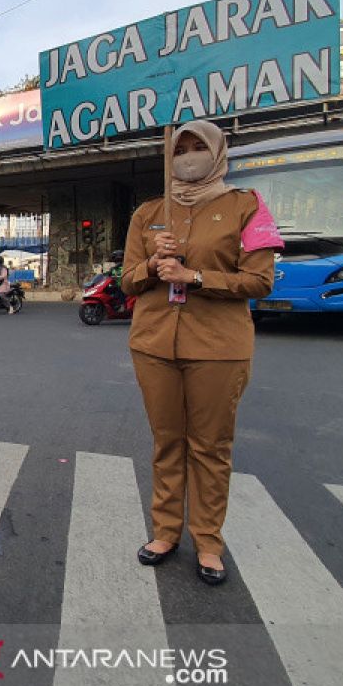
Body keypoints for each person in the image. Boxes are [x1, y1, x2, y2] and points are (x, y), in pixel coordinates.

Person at [122, 119, 282, 587]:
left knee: (210, 447)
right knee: (166, 442)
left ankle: (208, 542)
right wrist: (153, 263)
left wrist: (194, 277)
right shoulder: (148, 213)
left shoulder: (246, 207)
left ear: (216, 152)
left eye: (197, 146)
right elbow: (128, 279)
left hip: (219, 348)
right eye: (180, 148)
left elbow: (260, 281)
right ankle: (166, 532)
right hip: (154, 344)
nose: (188, 155)